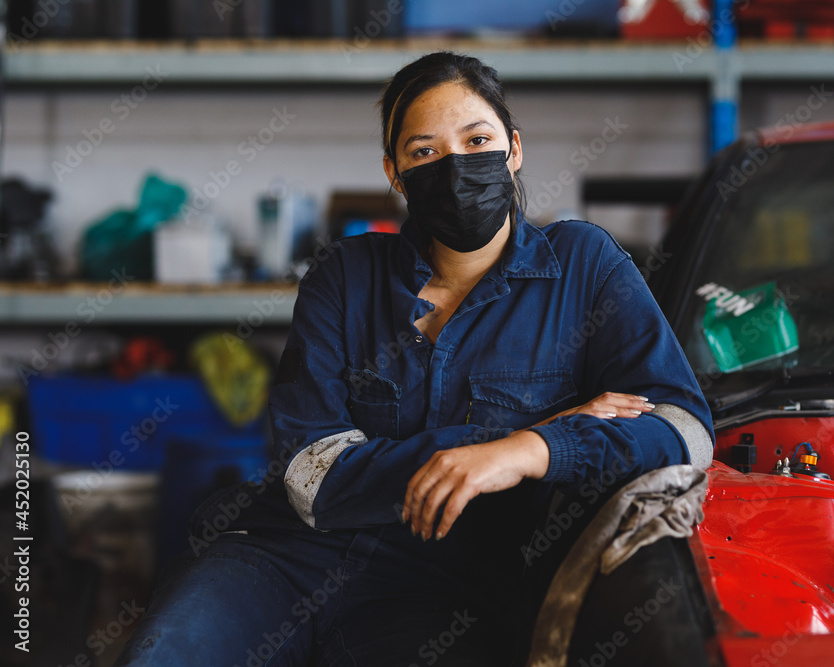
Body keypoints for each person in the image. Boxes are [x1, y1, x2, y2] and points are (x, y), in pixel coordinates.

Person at [115, 51, 713, 667]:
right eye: (424, 152)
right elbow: (311, 476)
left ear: (513, 149)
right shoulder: (344, 276)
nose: (454, 168)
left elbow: (685, 431)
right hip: (284, 559)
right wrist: (504, 442)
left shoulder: (583, 265)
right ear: (395, 174)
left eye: (476, 141)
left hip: (446, 592)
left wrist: (532, 452)